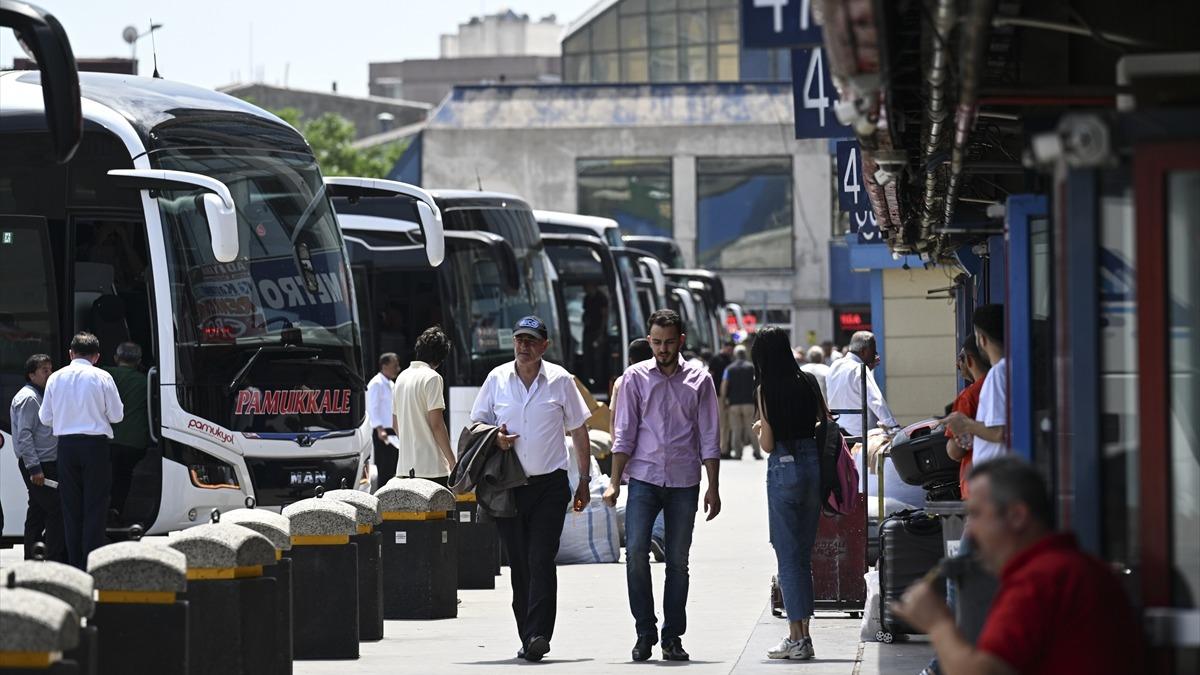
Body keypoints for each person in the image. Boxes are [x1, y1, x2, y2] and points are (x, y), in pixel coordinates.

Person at [892, 457, 1143, 675]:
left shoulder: (1039, 580)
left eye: (977, 514)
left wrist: (937, 623)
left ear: (1017, 516)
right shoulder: (1073, 567)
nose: (971, 530)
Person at [469, 316, 592, 662]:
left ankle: (538, 633)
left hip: (549, 487)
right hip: (508, 487)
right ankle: (527, 634)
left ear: (544, 346)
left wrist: (583, 479)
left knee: (541, 558)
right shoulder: (496, 379)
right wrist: (496, 437)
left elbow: (579, 430)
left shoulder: (560, 380)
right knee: (520, 564)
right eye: (519, 339)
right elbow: (477, 423)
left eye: (531, 340)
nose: (523, 346)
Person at [604, 309, 721, 662]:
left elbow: (710, 436)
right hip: (643, 479)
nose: (662, 349)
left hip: (685, 482)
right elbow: (623, 434)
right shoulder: (634, 378)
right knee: (636, 553)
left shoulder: (700, 380)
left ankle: (672, 637)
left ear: (681, 340)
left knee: (677, 562)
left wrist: (713, 487)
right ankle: (644, 631)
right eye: (656, 342)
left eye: (669, 342)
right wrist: (613, 483)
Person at [748, 327, 824, 660]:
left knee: (788, 558)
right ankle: (802, 635)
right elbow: (824, 419)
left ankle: (797, 638)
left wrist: (761, 428)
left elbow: (767, 445)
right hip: (813, 467)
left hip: (784, 468)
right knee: (802, 556)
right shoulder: (808, 380)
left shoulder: (765, 389)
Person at [39, 332, 124, 569]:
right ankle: (91, 563)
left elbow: (45, 418)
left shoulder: (55, 378)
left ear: (70, 354)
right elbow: (117, 415)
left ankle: (75, 564)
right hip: (95, 447)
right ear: (96, 356)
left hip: (66, 446)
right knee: (95, 506)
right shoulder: (103, 376)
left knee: (70, 507)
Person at [610, 338, 666, 562]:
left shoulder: (622, 381)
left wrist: (617, 449)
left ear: (630, 359)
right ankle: (657, 535)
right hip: (652, 452)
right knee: (663, 496)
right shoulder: (663, 378)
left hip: (628, 451)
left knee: (638, 497)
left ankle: (640, 540)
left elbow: (615, 419)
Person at [11, 354, 66, 562]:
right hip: (39, 464)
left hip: (46, 462)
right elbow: (24, 435)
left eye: (50, 369)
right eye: (44, 370)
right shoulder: (29, 398)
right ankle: (53, 557)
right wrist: (34, 468)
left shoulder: (41, 394)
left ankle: (32, 556)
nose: (49, 374)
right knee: (56, 509)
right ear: (31, 374)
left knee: (37, 511)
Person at [943, 305, 1006, 467]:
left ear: (981, 339)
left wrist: (965, 424)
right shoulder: (1011, 370)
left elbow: (1001, 432)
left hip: (995, 475)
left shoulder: (998, 374)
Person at [391, 327, 455, 485]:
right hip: (432, 469)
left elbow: (395, 424)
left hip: (404, 469)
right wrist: (453, 462)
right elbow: (437, 425)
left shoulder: (401, 378)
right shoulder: (432, 378)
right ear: (440, 357)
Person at [103, 342, 149, 521]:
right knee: (124, 475)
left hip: (106, 439)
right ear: (138, 361)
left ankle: (102, 507)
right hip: (135, 442)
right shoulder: (145, 380)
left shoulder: (105, 375)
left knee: (105, 474)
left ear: (116, 358)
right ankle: (116, 508)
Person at [826, 331, 901, 439]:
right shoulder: (859, 368)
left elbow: (849, 387)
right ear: (864, 351)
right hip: (860, 434)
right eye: (873, 349)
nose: (876, 353)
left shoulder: (835, 366)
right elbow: (875, 400)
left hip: (839, 431)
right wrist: (893, 426)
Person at [945, 336, 991, 498]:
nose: (958, 364)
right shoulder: (1003, 384)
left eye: (960, 358)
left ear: (969, 360)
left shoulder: (968, 396)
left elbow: (955, 451)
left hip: (976, 485)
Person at [721, 345, 761, 460]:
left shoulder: (729, 368)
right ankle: (757, 452)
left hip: (734, 404)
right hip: (749, 403)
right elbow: (757, 383)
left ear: (735, 354)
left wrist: (724, 400)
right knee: (751, 429)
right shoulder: (752, 367)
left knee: (736, 429)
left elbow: (724, 385)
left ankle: (738, 454)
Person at [367, 352, 401, 485]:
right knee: (384, 469)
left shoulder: (390, 383)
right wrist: (379, 429)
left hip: (392, 432)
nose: (397, 369)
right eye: (395, 365)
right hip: (383, 433)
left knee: (393, 467)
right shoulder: (376, 383)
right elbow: (372, 408)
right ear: (384, 366)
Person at [707, 341, 734, 458]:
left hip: (729, 397)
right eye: (729, 348)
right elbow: (710, 375)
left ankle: (726, 448)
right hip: (718, 395)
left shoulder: (730, 360)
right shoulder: (716, 359)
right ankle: (722, 449)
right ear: (724, 347)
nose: (730, 351)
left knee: (728, 424)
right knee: (722, 424)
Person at [581, 282, 609, 386]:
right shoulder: (587, 298)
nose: (585, 289)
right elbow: (585, 313)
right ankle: (586, 381)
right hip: (588, 331)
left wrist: (601, 334)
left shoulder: (601, 298)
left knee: (598, 358)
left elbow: (605, 316)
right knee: (587, 356)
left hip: (598, 332)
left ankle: (599, 382)